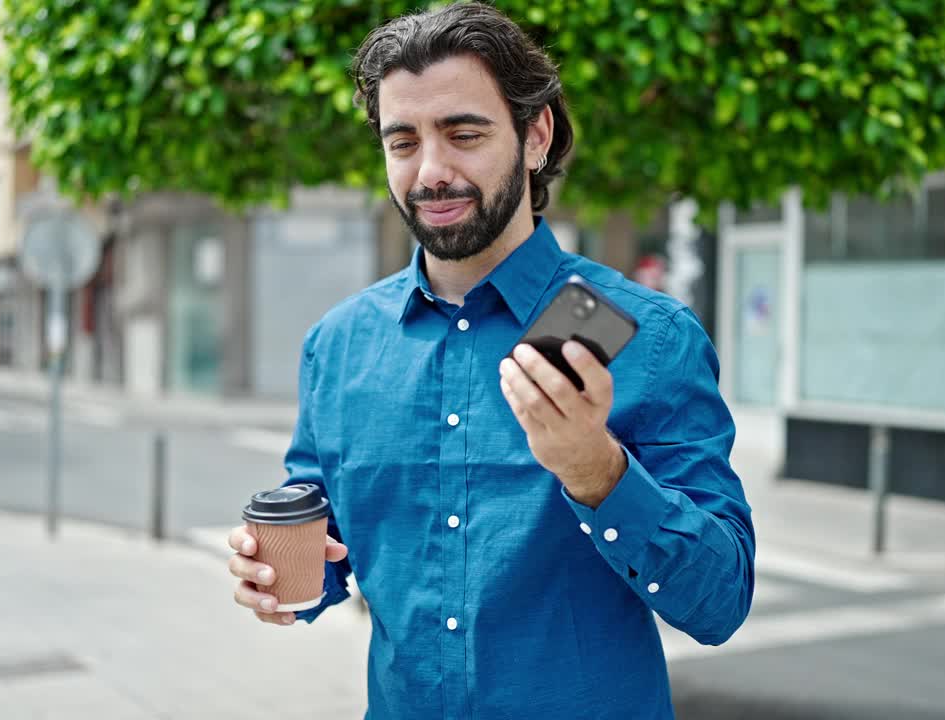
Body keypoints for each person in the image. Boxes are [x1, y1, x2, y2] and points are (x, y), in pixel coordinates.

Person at [228, 4, 755, 718]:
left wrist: (596, 471)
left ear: (535, 137)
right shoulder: (338, 346)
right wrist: (279, 576)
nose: (431, 172)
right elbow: (329, 554)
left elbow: (720, 603)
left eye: (464, 134)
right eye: (402, 141)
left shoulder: (651, 336)